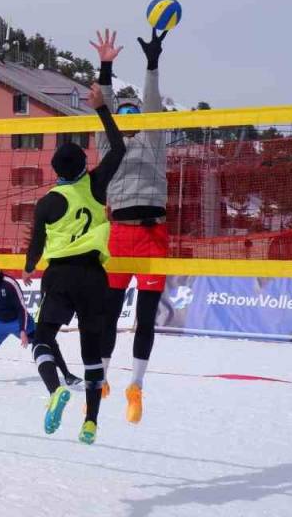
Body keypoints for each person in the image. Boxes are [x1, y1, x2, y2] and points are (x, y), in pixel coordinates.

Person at [22, 73, 126, 445]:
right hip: (94, 276)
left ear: (56, 172)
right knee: (91, 351)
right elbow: (118, 148)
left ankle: (55, 390)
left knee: (42, 339)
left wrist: (29, 267)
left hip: (61, 276)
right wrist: (102, 110)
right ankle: (91, 422)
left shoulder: (47, 201)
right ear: (84, 164)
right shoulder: (96, 184)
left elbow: (35, 248)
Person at [95, 28, 170, 424]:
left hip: (153, 234)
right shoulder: (109, 146)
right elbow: (103, 105)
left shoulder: (153, 139)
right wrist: (105, 66)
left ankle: (136, 385)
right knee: (108, 315)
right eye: (121, 113)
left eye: (132, 112)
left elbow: (153, 102)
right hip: (119, 237)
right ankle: (102, 377)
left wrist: (152, 63)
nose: (126, 116)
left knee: (146, 315)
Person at [0, 268, 81, 386]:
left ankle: (67, 375)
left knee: (47, 340)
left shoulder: (9, 283)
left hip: (18, 321)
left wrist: (23, 330)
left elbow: (21, 308)